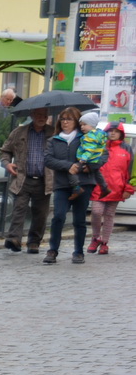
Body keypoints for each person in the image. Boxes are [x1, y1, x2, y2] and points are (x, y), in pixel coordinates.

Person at [0, 106, 52, 254]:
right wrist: (7, 164)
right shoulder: (19, 132)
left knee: (40, 214)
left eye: (44, 115)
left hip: (44, 180)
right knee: (19, 209)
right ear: (32, 115)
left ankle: (34, 242)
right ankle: (14, 239)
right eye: (39, 114)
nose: (42, 118)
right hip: (22, 178)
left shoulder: (53, 133)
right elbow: (5, 151)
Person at [43, 106, 90, 264]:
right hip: (62, 184)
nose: (65, 122)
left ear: (76, 121)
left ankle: (79, 252)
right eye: (62, 119)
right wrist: (67, 165)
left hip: (82, 183)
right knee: (58, 216)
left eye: (69, 119)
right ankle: (52, 250)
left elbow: (99, 156)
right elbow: (48, 159)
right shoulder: (54, 140)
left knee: (79, 219)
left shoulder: (86, 138)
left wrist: (83, 167)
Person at [89, 122, 132, 255]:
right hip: (99, 187)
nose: (113, 133)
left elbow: (130, 170)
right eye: (110, 130)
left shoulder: (126, 149)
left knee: (109, 215)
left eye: (116, 131)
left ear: (121, 134)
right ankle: (96, 238)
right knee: (96, 212)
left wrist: (129, 188)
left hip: (116, 188)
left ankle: (104, 243)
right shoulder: (99, 146)